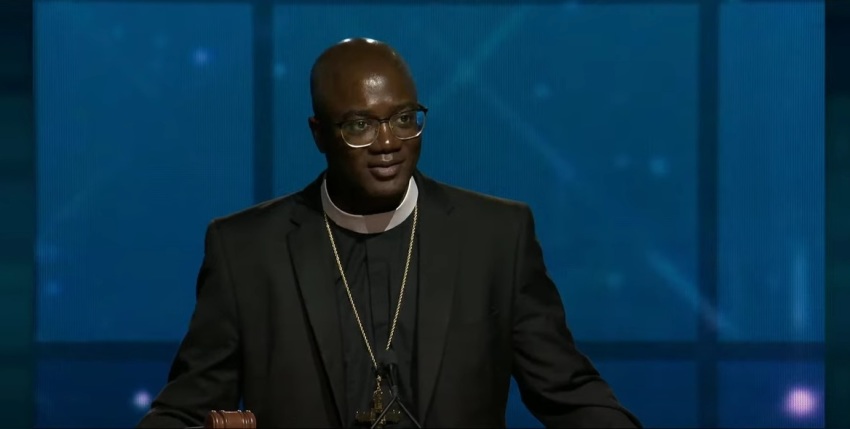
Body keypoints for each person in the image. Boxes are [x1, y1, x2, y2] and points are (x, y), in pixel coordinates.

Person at [137, 37, 641, 429]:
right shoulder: (246, 251)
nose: (388, 143)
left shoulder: (496, 238)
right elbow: (186, 407)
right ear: (318, 134)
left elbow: (570, 394)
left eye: (404, 119)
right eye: (360, 125)